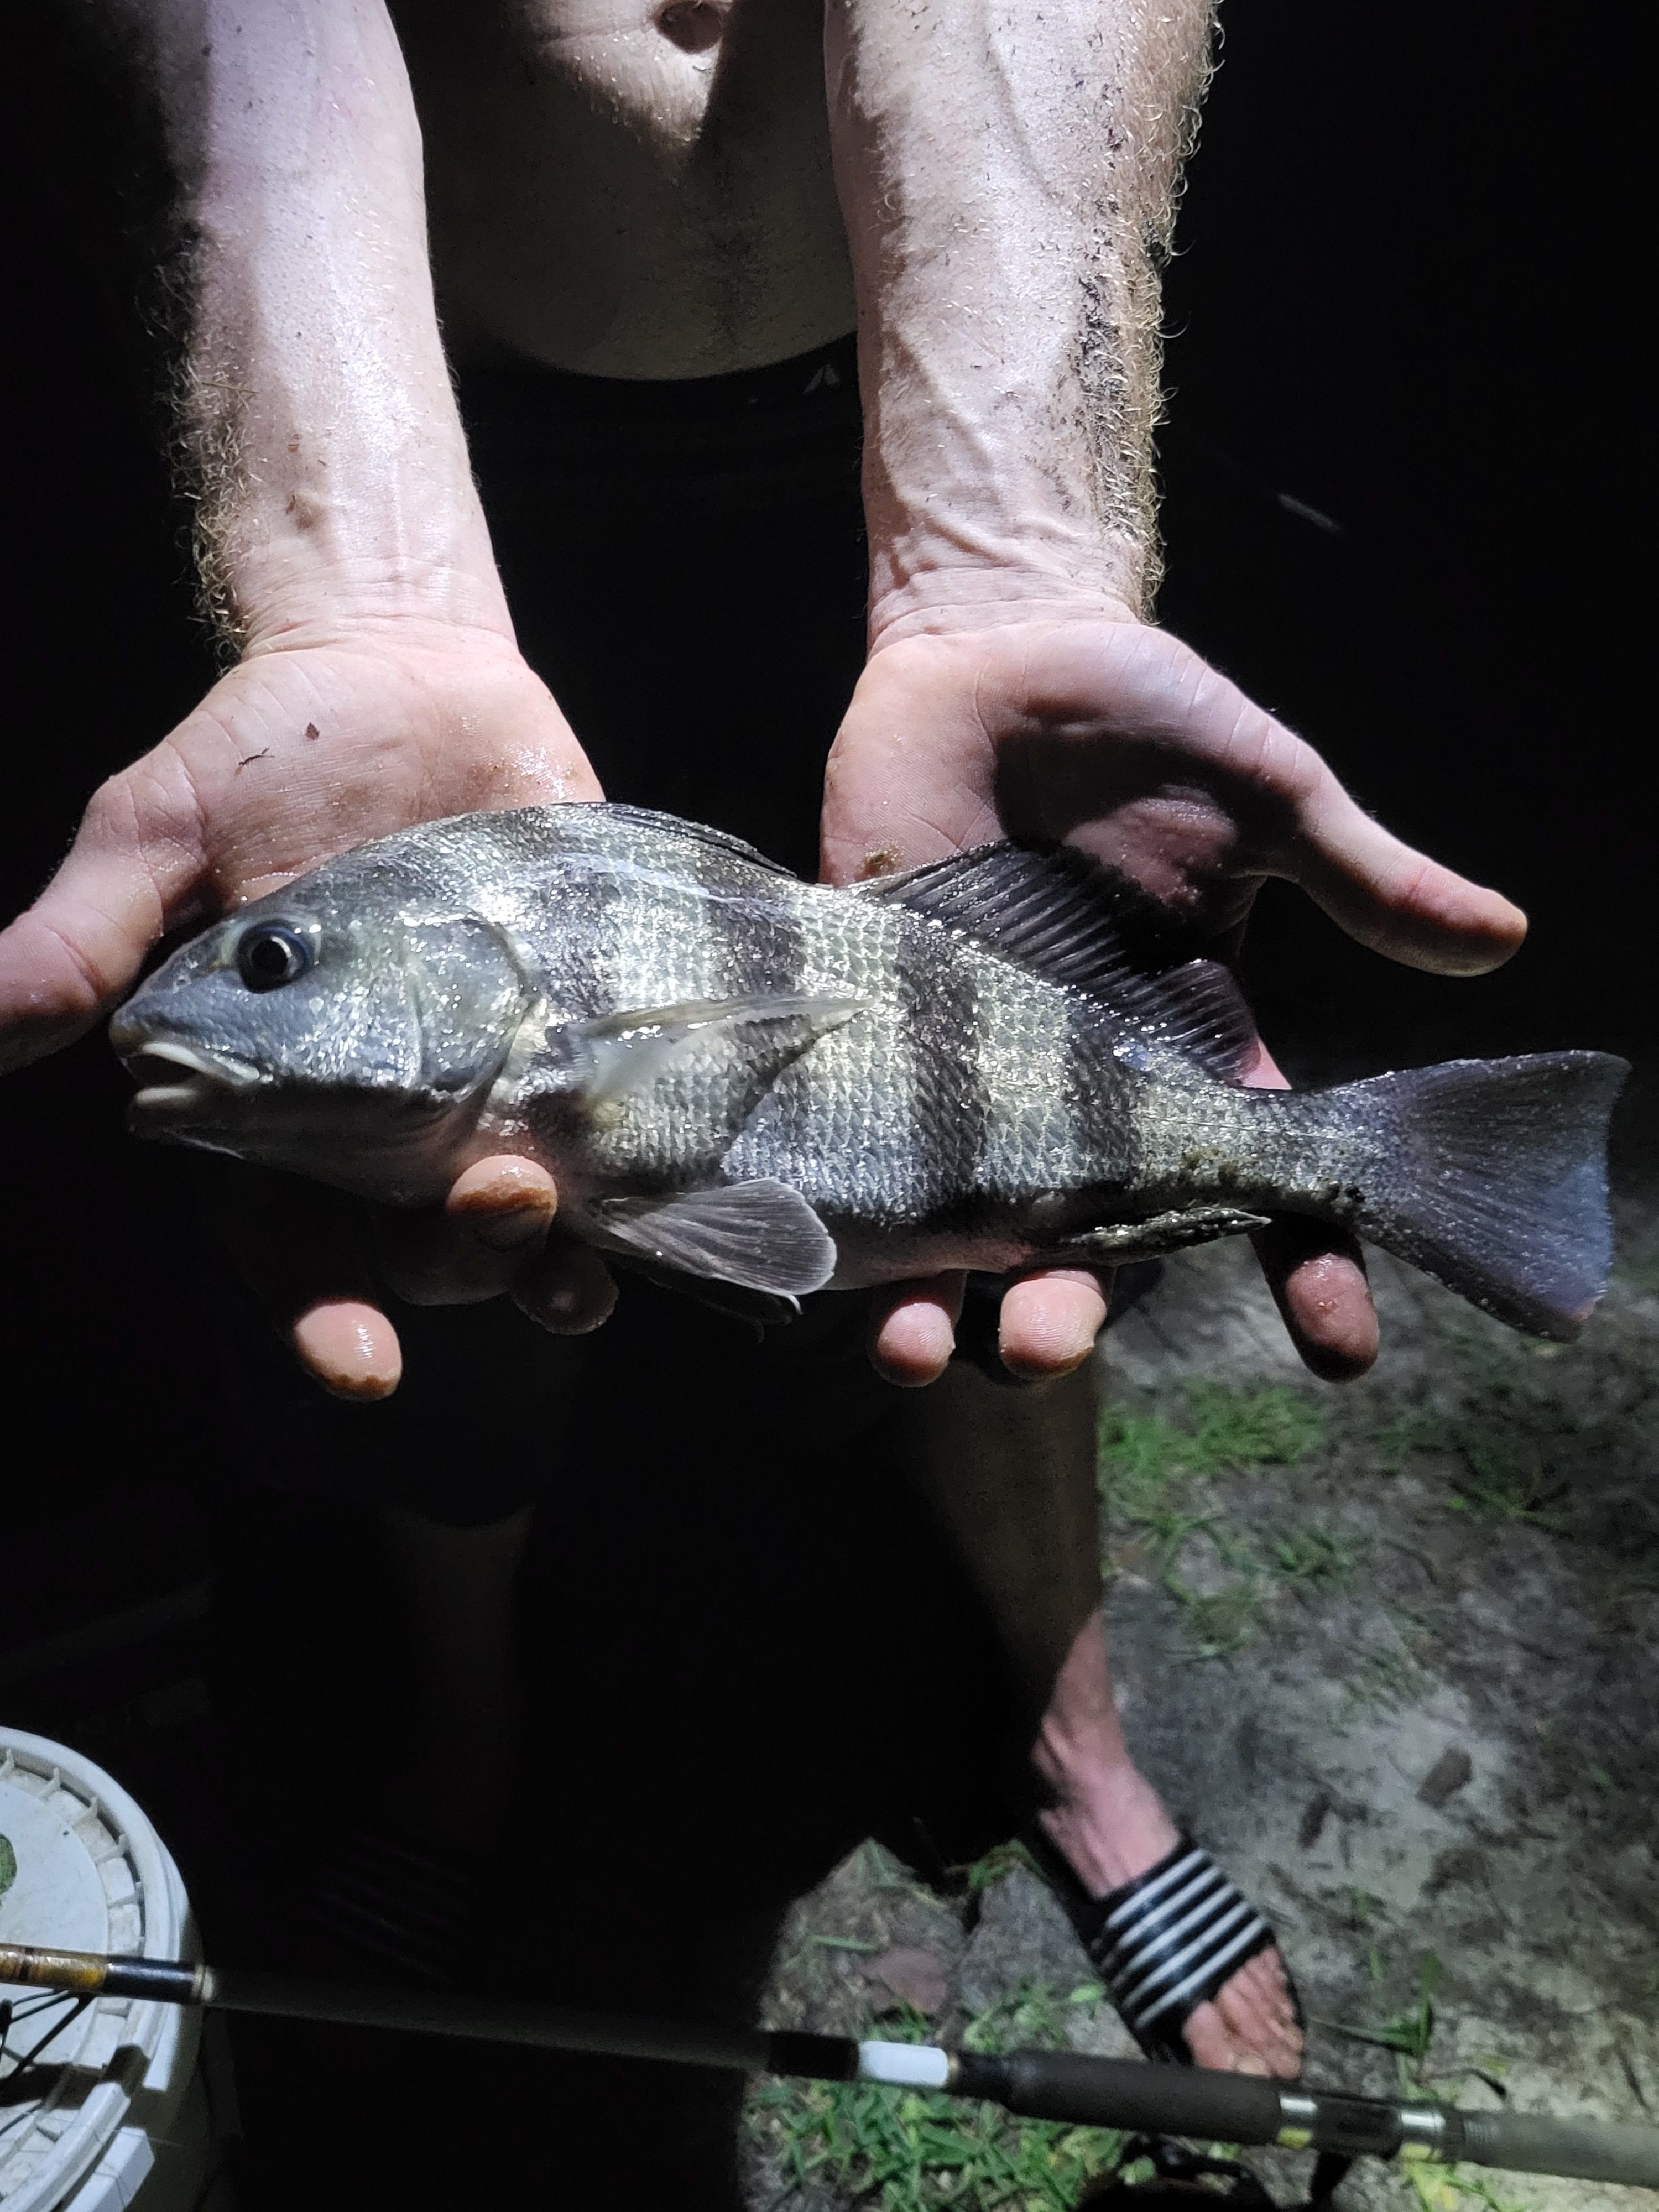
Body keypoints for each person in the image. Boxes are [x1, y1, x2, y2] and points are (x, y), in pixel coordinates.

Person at [1, 0, 1524, 2110]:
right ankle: (468, 1745)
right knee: (446, 1297)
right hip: (423, 435)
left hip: (914, 404)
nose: (215, 1003)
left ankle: (1072, 1737)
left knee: (995, 1280)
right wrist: (349, 582)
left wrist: (1015, 550)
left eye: (267, 974)